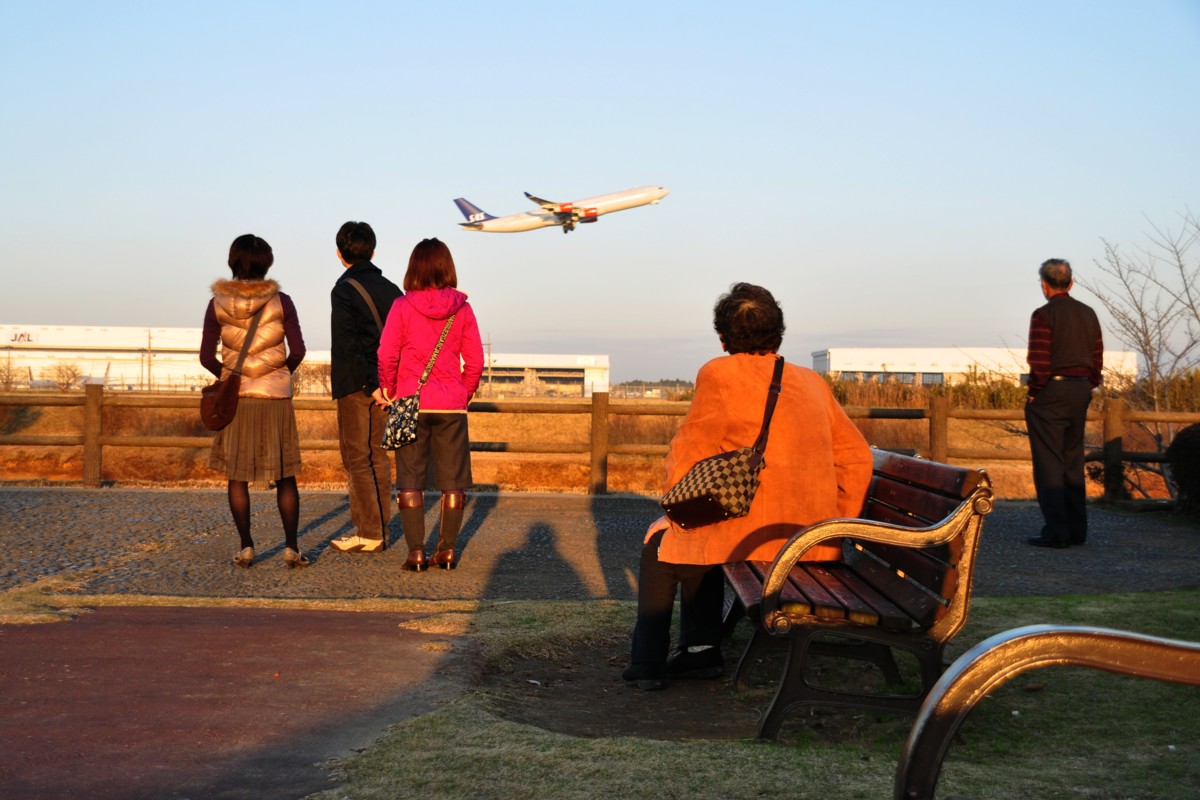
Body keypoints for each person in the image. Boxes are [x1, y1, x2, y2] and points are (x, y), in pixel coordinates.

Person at [623, 283, 873, 690]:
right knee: (697, 538)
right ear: (779, 332)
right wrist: (834, 522)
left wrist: (672, 512)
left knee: (667, 545)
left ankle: (649, 662)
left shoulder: (719, 374)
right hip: (811, 537)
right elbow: (857, 458)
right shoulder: (812, 382)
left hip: (753, 533)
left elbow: (690, 451)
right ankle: (697, 652)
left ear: (723, 337)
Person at [200, 234, 308, 568]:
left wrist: (231, 378)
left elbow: (206, 356)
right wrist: (279, 374)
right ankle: (291, 548)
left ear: (232, 261)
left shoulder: (217, 302)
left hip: (239, 401)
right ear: (266, 263)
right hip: (275, 400)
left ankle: (246, 546)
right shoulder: (282, 301)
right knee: (285, 475)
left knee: (237, 476)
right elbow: (299, 351)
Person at [378, 238, 484, 571]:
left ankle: (416, 553)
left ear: (414, 268)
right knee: (453, 480)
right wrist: (462, 393)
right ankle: (448, 551)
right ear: (447, 266)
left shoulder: (401, 306)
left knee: (410, 478)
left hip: (411, 401)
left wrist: (390, 388)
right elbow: (476, 361)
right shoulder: (463, 308)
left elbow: (386, 354)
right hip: (451, 405)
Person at [328, 221, 403, 554]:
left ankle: (369, 532)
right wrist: (388, 383)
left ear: (340, 254)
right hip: (388, 386)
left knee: (357, 457)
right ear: (373, 251)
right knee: (379, 456)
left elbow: (349, 345)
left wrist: (371, 384)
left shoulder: (343, 290)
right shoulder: (392, 290)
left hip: (358, 386)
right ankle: (380, 530)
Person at [1025, 258, 1103, 549]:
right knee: (1072, 459)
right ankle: (1076, 529)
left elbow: (1039, 360)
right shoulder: (1088, 314)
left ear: (1044, 285)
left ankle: (1056, 532)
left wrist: (1034, 392)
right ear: (1071, 282)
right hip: (1081, 389)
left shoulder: (1043, 315)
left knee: (1048, 462)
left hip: (1052, 391)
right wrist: (1089, 383)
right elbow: (1097, 356)